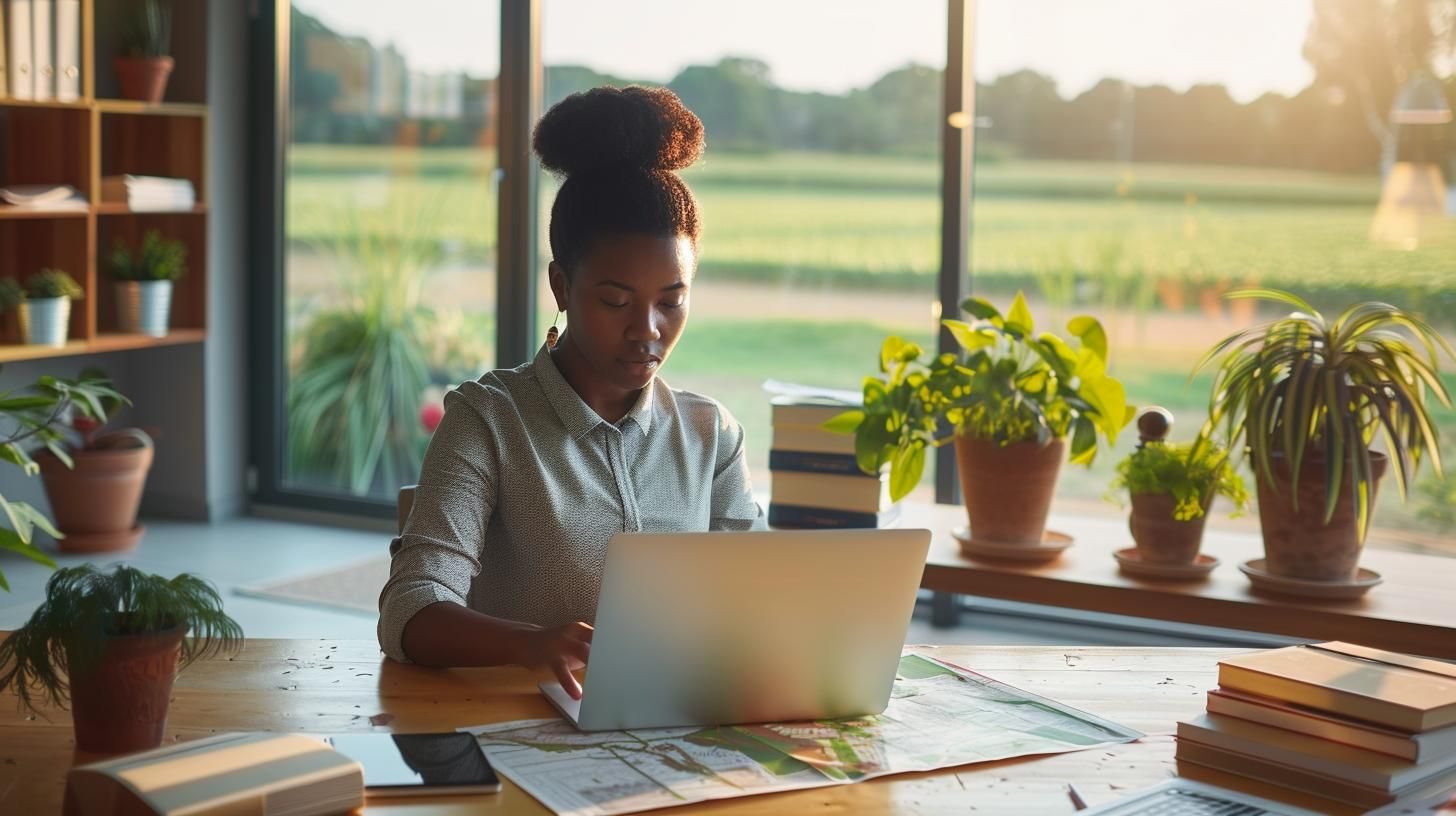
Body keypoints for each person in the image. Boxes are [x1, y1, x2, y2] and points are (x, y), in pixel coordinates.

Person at [378, 86, 766, 699]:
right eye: (615, 301)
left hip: (679, 727)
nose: (648, 331)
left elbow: (761, 596)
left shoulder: (710, 434)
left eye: (672, 301)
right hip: (520, 733)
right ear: (561, 284)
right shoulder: (489, 422)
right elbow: (410, 608)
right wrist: (531, 646)